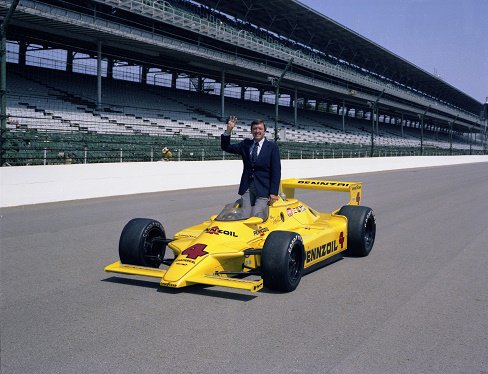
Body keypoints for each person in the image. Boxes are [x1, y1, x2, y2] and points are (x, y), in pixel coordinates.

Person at [221, 116, 281, 220]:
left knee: (256, 215)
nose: (257, 131)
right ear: (251, 131)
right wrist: (229, 130)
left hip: (263, 188)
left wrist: (274, 192)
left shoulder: (272, 147)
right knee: (243, 216)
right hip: (247, 187)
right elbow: (226, 147)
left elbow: (276, 171)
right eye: (255, 129)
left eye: (260, 129)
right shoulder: (246, 144)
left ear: (264, 131)